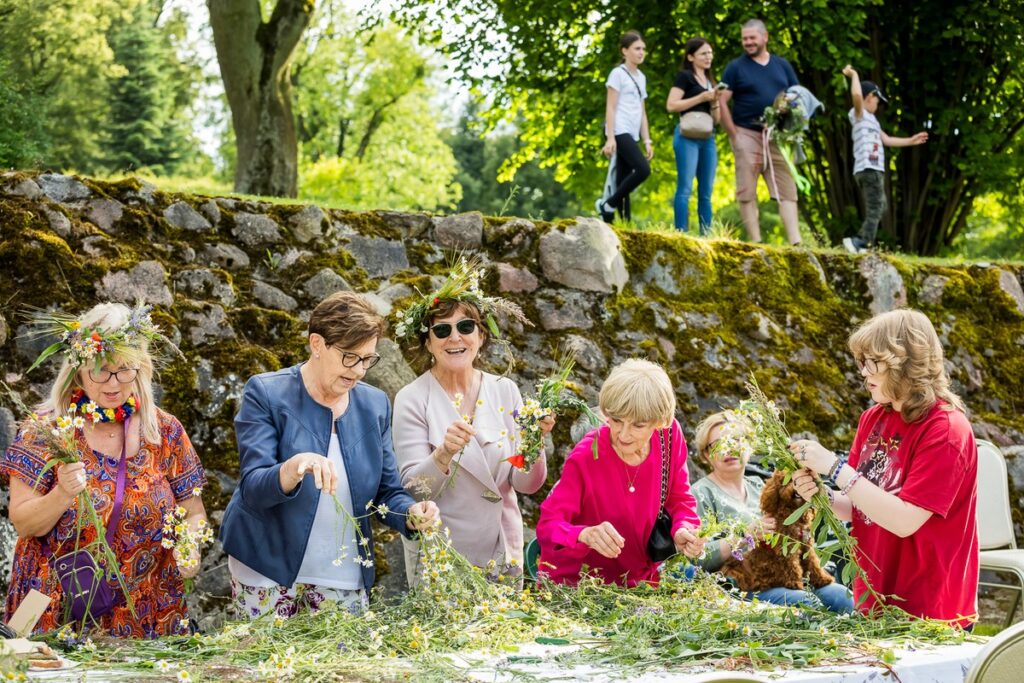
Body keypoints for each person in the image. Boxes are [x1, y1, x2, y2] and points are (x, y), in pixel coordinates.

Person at [220, 292, 439, 619]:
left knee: (341, 671)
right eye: (350, 357)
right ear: (317, 344)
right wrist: (293, 468)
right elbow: (254, 486)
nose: (360, 371)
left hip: (343, 574)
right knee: (263, 669)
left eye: (368, 359)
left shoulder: (375, 405)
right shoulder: (266, 392)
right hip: (267, 570)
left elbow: (386, 492)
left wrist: (411, 513)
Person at [2, 303, 208, 637]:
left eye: (124, 369)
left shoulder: (165, 431)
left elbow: (194, 513)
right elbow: (23, 522)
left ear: (141, 368)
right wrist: (61, 494)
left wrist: (189, 544)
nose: (113, 383)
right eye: (100, 371)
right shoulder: (46, 430)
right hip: (58, 617)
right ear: (78, 370)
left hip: (150, 618)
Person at [791, 309, 978, 628]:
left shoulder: (946, 430)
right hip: (875, 601)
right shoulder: (873, 419)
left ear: (905, 362)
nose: (862, 372)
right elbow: (860, 507)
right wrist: (822, 496)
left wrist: (835, 468)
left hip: (931, 611)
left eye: (871, 362)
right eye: (861, 362)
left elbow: (905, 520)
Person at [392, 262, 553, 584]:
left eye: (465, 327)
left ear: (480, 336)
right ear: (428, 342)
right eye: (442, 329)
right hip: (443, 556)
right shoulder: (412, 398)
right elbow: (411, 490)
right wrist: (442, 455)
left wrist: (534, 443)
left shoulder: (504, 390)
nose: (455, 337)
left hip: (502, 550)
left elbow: (526, 485)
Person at [536, 359, 704, 586]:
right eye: (616, 420)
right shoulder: (586, 455)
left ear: (660, 421)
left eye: (638, 425)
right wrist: (584, 535)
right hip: (579, 589)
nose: (623, 434)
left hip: (639, 585)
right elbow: (548, 526)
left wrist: (683, 528)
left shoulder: (669, 436)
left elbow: (679, 498)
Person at [692, 412, 853, 613]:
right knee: (806, 602)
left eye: (736, 440)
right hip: (739, 587)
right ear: (706, 454)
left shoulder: (759, 485)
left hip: (788, 573)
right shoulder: (700, 494)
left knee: (841, 597)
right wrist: (744, 535)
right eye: (717, 445)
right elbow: (696, 558)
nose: (729, 449)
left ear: (749, 447)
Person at [719, 19, 802, 245]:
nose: (747, 42)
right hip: (746, 132)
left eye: (752, 38)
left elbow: (796, 94)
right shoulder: (735, 67)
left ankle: (796, 243)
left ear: (765, 37)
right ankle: (756, 242)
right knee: (746, 190)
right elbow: (721, 101)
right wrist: (734, 135)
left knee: (787, 189)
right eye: (744, 39)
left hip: (777, 136)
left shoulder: (782, 65)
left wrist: (787, 109)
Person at [841, 65, 929, 254]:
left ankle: (862, 242)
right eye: (877, 101)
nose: (878, 106)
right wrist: (854, 75)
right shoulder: (859, 114)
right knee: (876, 207)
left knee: (881, 206)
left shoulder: (873, 120)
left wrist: (911, 141)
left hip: (875, 170)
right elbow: (857, 96)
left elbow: (887, 139)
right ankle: (860, 242)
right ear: (870, 96)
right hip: (867, 168)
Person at [596, 30, 653, 224]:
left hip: (633, 132)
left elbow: (642, 111)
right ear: (624, 51)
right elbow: (610, 108)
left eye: (643, 49)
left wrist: (647, 140)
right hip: (619, 130)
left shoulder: (641, 77)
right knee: (643, 170)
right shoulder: (617, 74)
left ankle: (622, 222)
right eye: (637, 49)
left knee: (623, 179)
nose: (641, 52)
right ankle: (608, 204)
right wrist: (610, 137)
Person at [667, 37, 720, 235]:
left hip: (708, 137)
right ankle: (681, 233)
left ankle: (706, 235)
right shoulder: (685, 77)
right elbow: (671, 105)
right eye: (703, 53)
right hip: (686, 136)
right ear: (691, 57)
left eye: (710, 53)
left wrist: (714, 101)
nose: (708, 57)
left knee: (706, 192)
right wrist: (701, 97)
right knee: (685, 188)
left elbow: (717, 120)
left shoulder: (711, 81)